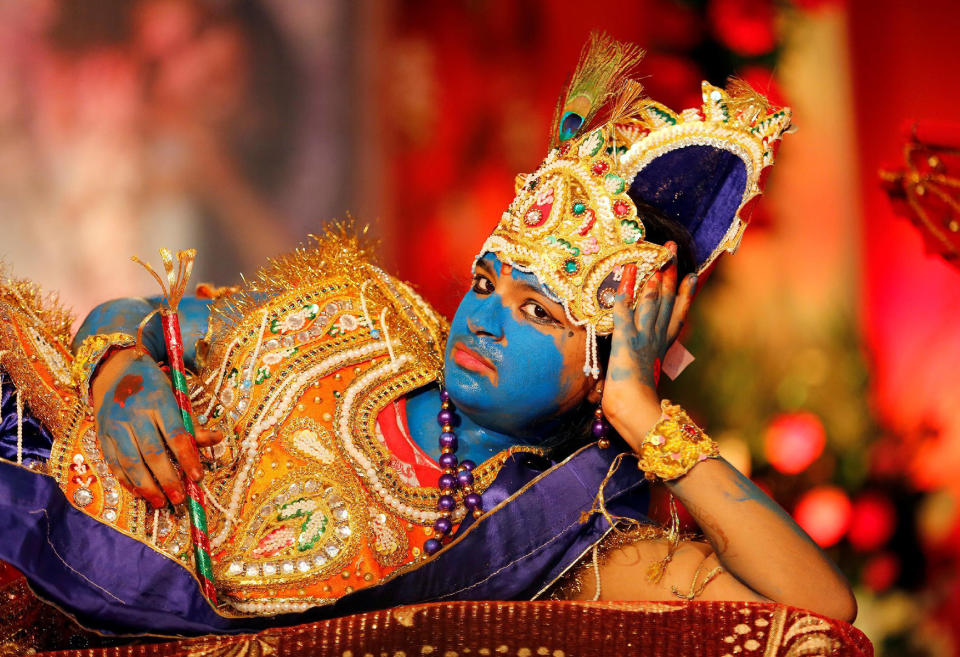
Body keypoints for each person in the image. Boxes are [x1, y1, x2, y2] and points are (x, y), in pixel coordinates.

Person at [0, 35, 854, 636]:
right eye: (489, 282)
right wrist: (118, 369)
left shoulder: (548, 535)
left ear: (598, 370)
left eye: (539, 312)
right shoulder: (363, 313)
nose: (483, 314)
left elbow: (820, 609)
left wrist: (639, 410)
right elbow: (129, 320)